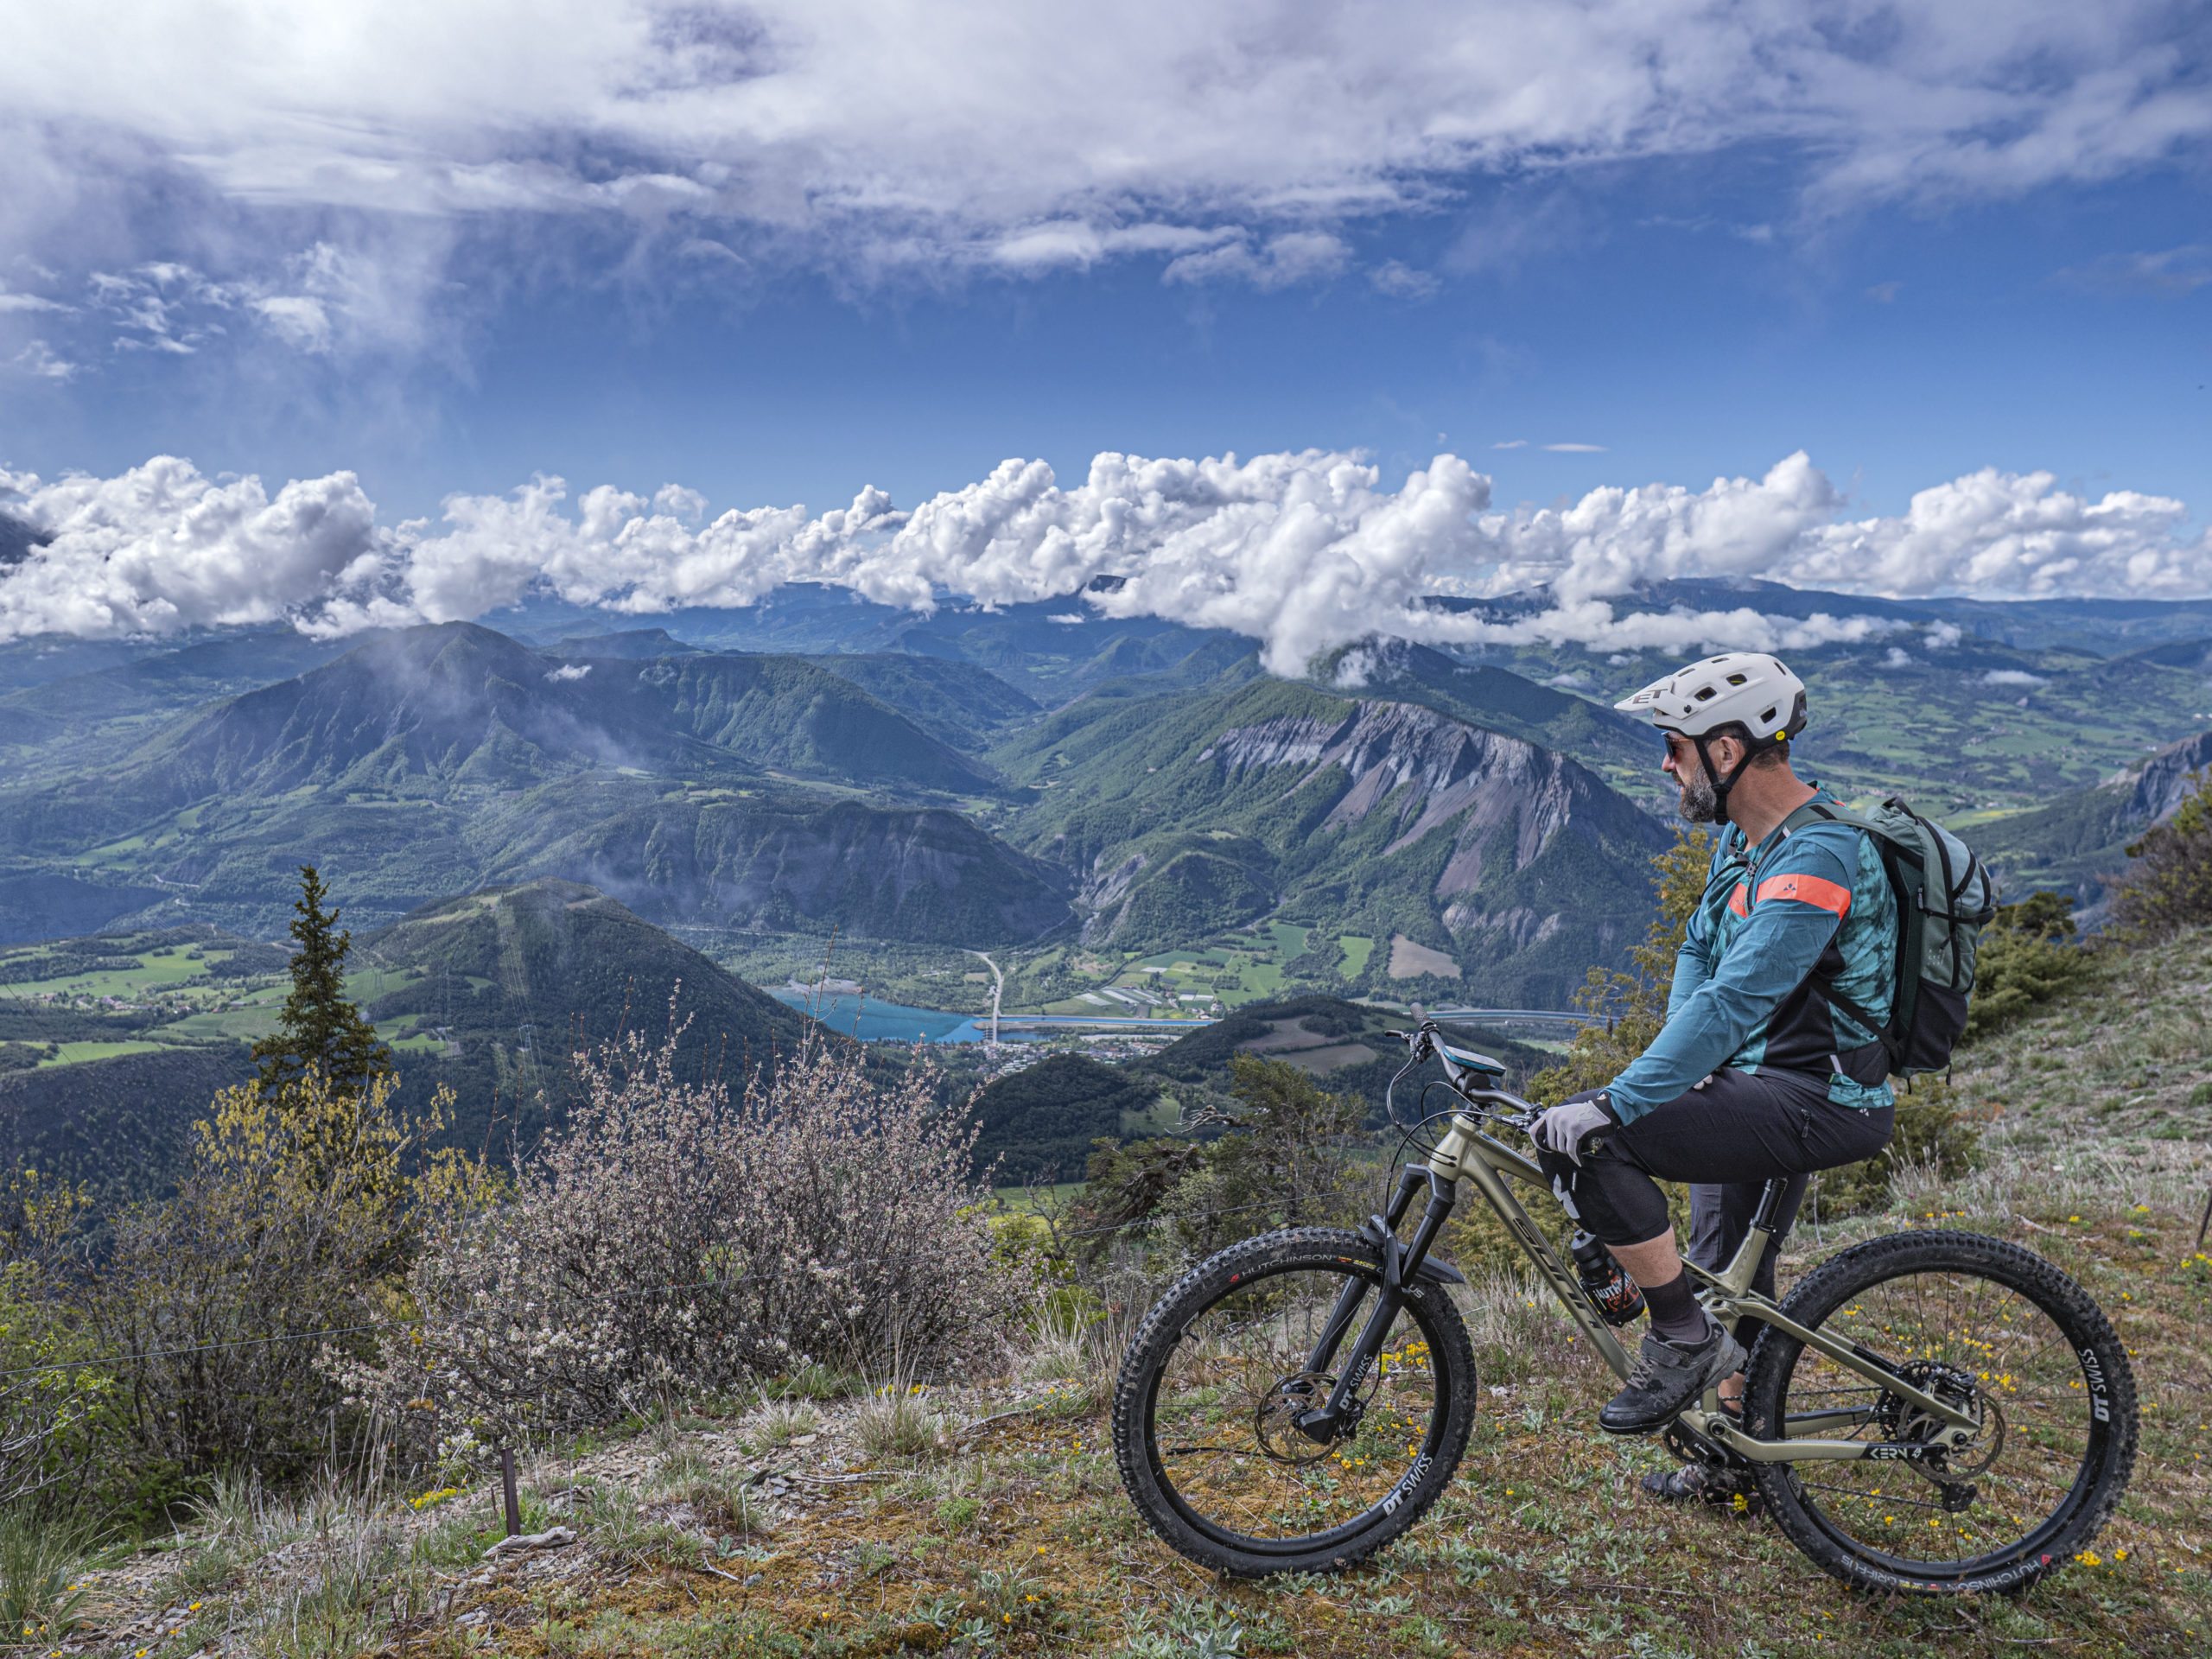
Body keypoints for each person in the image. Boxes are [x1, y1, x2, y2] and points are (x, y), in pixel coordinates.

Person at [1529, 652, 1898, 1500]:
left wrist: (1626, 1097)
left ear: (1726, 749)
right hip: (1755, 1084)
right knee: (1727, 1273)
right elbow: (1701, 948)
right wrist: (1681, 1067)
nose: (1665, 765)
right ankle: (1734, 1465)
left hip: (1818, 1098)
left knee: (1600, 1137)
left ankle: (1675, 1337)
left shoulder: (1818, 858)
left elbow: (1743, 995)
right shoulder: (1744, 840)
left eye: (1674, 747)